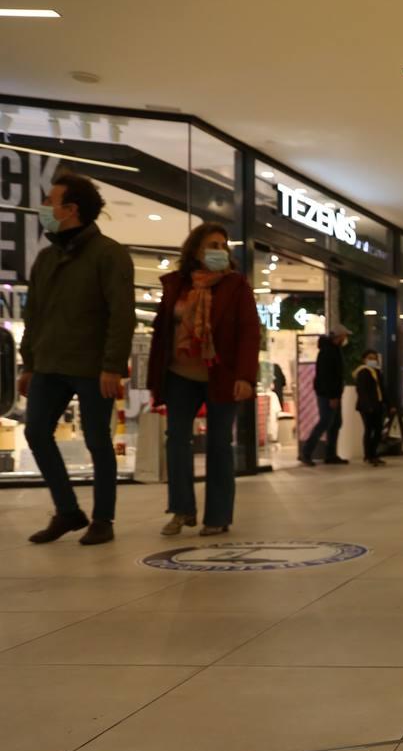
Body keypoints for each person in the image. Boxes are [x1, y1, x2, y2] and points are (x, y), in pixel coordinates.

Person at [19, 172, 134, 546]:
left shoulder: (109, 254)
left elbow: (122, 313)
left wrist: (113, 366)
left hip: (92, 366)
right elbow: (34, 313)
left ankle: (104, 518)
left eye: (51, 202)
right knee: (35, 431)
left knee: (99, 441)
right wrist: (29, 362)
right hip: (49, 364)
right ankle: (68, 511)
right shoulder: (47, 257)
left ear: (71, 209)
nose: (45, 208)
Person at [148, 223, 260, 537]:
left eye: (223, 246)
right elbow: (163, 333)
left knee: (219, 443)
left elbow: (249, 333)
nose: (219, 251)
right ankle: (182, 509)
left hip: (221, 374)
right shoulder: (177, 285)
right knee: (177, 440)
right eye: (212, 245)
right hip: (179, 374)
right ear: (196, 249)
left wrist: (246, 377)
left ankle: (218, 515)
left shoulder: (236, 286)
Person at [300, 324, 350, 466]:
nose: (346, 339)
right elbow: (328, 376)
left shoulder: (335, 350)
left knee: (335, 423)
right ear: (339, 337)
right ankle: (306, 452)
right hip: (328, 394)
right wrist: (332, 396)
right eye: (344, 336)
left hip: (334, 393)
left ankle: (330, 454)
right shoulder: (328, 352)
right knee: (325, 422)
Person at [354, 349, 386, 466]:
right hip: (367, 407)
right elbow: (361, 391)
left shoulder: (377, 372)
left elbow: (382, 389)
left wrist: (389, 403)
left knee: (378, 430)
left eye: (374, 358)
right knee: (369, 430)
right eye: (370, 358)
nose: (373, 360)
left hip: (378, 405)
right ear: (364, 360)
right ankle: (368, 455)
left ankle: (374, 453)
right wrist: (368, 406)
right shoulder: (363, 372)